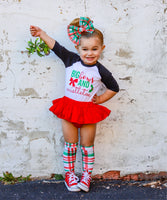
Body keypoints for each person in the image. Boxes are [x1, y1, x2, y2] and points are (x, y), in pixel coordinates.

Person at [30, 17, 119, 192]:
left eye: (94, 49)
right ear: (78, 49)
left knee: (87, 146)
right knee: (70, 145)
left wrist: (100, 99)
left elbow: (114, 87)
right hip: (69, 110)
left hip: (88, 113)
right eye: (85, 49)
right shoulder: (71, 60)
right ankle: (69, 175)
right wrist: (41, 34)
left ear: (102, 49)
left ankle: (86, 176)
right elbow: (56, 46)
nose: (89, 53)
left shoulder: (100, 70)